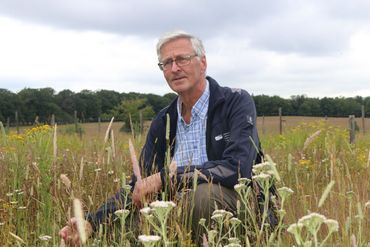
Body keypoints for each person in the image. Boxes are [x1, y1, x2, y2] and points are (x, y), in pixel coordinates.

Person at [59, 30, 261, 245]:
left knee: (202, 197)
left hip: (234, 201)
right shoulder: (164, 120)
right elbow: (139, 184)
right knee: (123, 225)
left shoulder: (234, 102)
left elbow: (238, 168)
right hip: (173, 207)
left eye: (182, 59)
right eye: (167, 63)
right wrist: (91, 222)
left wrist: (166, 178)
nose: (175, 68)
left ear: (203, 63)